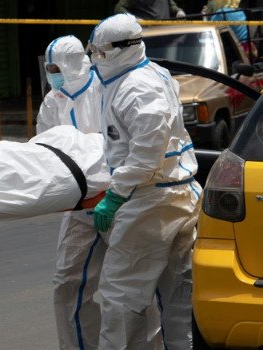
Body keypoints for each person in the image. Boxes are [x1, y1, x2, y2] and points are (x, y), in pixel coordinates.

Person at [88, 13, 202, 348]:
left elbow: (146, 155)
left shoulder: (139, 89)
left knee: (121, 295)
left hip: (151, 203)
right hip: (174, 196)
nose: (96, 59)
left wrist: (115, 195)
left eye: (101, 52)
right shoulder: (148, 75)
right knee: (179, 296)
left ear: (124, 48)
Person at [37, 35, 104, 350]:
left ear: (74, 62)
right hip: (79, 208)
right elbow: (44, 150)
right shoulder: (53, 100)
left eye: (56, 67)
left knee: (128, 291)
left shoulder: (105, 88)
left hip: (118, 202)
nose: (52, 74)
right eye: (49, 68)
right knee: (67, 285)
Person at [114, 0, 186, 19]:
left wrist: (178, 11)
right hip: (146, 34)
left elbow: (171, 4)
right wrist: (135, 20)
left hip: (165, 32)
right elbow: (119, 8)